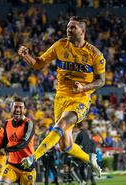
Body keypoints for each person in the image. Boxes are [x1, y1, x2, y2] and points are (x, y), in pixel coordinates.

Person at [19, 16, 104, 176]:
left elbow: (101, 81)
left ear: (82, 31)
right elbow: (38, 64)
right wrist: (26, 56)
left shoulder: (94, 54)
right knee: (66, 146)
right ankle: (89, 158)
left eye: (73, 28)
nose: (68, 30)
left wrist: (84, 87)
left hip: (80, 98)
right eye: (68, 27)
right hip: (60, 98)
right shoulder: (60, 45)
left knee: (62, 124)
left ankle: (33, 158)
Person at [0, 97, 36, 185]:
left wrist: (4, 150)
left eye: (20, 107)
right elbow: (5, 140)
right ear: (11, 109)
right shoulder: (7, 123)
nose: (17, 109)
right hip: (12, 165)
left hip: (27, 166)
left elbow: (23, 144)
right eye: (15, 107)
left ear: (24, 110)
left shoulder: (28, 124)